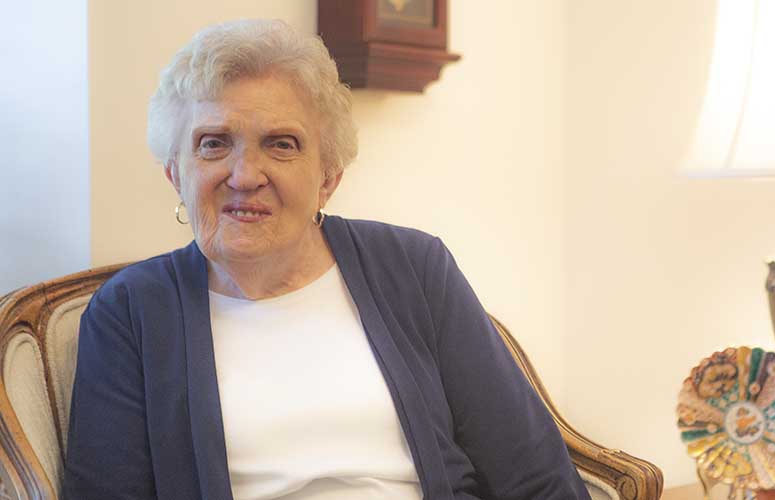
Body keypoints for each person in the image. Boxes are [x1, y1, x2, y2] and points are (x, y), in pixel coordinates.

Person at [64, 19, 590, 500]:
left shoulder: (413, 267)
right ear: (176, 174)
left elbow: (535, 471)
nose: (245, 175)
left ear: (328, 177)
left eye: (282, 144)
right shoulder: (131, 312)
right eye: (213, 143)